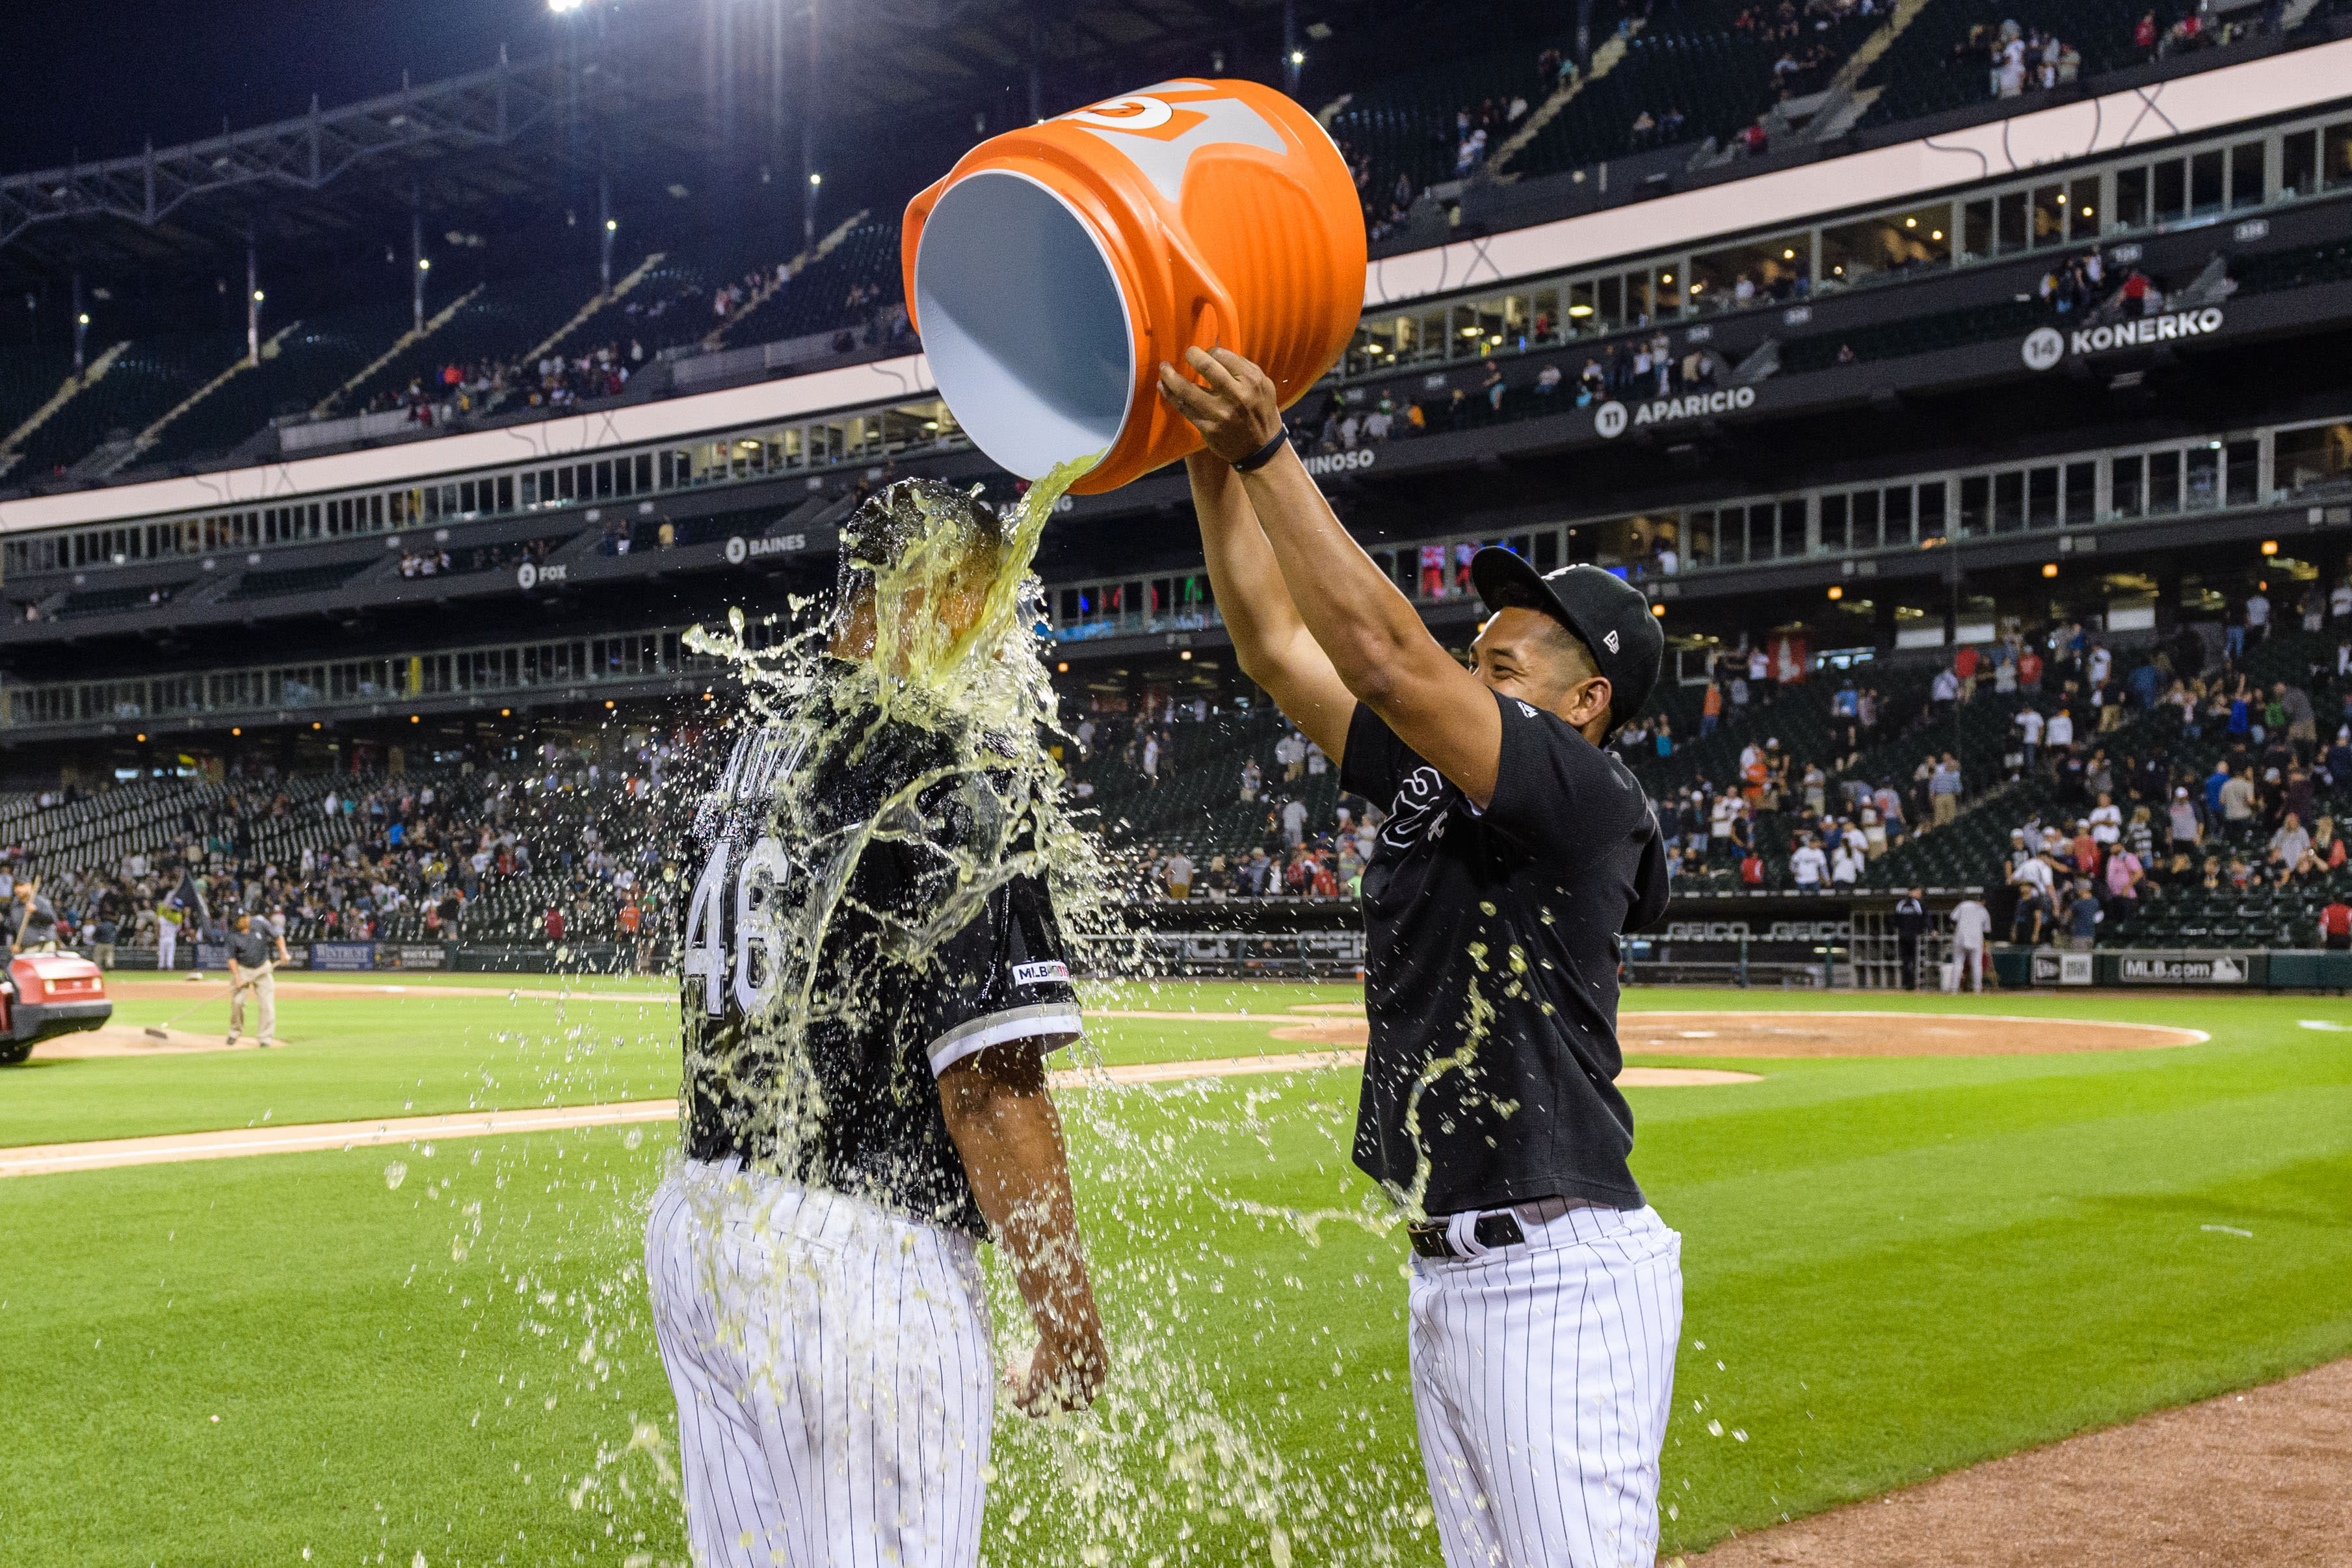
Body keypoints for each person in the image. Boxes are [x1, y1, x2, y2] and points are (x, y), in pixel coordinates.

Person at [1162, 345, 1678, 1568]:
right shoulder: (1444, 772)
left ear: (1585, 699)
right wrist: (1203, 460)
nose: (1475, 659)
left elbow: (1386, 660)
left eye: (1505, 660)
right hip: (1454, 1269)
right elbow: (1275, 644)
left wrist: (1266, 452)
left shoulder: (1578, 788)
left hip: (1554, 1275)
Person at [644, 480, 1104, 1568]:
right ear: (941, 591)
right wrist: (1066, 1317)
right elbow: (989, 1089)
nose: (1007, 638)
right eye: (995, 605)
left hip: (707, 1220)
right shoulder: (952, 759)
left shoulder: (760, 745)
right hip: (856, 1259)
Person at [226, 909, 287, 1047]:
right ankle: (234, 1032)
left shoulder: (260, 923)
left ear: (247, 917)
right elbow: (231, 959)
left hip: (262, 968)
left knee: (267, 1004)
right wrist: (238, 977)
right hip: (242, 969)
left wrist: (283, 953)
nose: (236, 923)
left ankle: (265, 1038)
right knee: (238, 1002)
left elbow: (277, 937)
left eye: (239, 920)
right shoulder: (232, 933)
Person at [1949, 894, 1991, 991]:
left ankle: (1954, 988)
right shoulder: (1983, 910)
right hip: (1976, 939)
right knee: (1977, 964)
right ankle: (1977, 989)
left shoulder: (1963, 905)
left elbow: (1952, 920)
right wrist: (1986, 943)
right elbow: (1987, 931)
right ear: (1983, 902)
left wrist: (1957, 928)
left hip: (1960, 938)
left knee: (1958, 963)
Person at [1894, 887, 1928, 989]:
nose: (1920, 894)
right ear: (1911, 892)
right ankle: (1908, 983)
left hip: (1913, 936)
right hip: (1906, 936)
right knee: (1907, 960)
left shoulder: (1918, 904)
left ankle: (1913, 983)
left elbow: (1924, 918)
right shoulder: (1903, 904)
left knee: (1914, 960)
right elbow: (1896, 919)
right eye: (1918, 891)